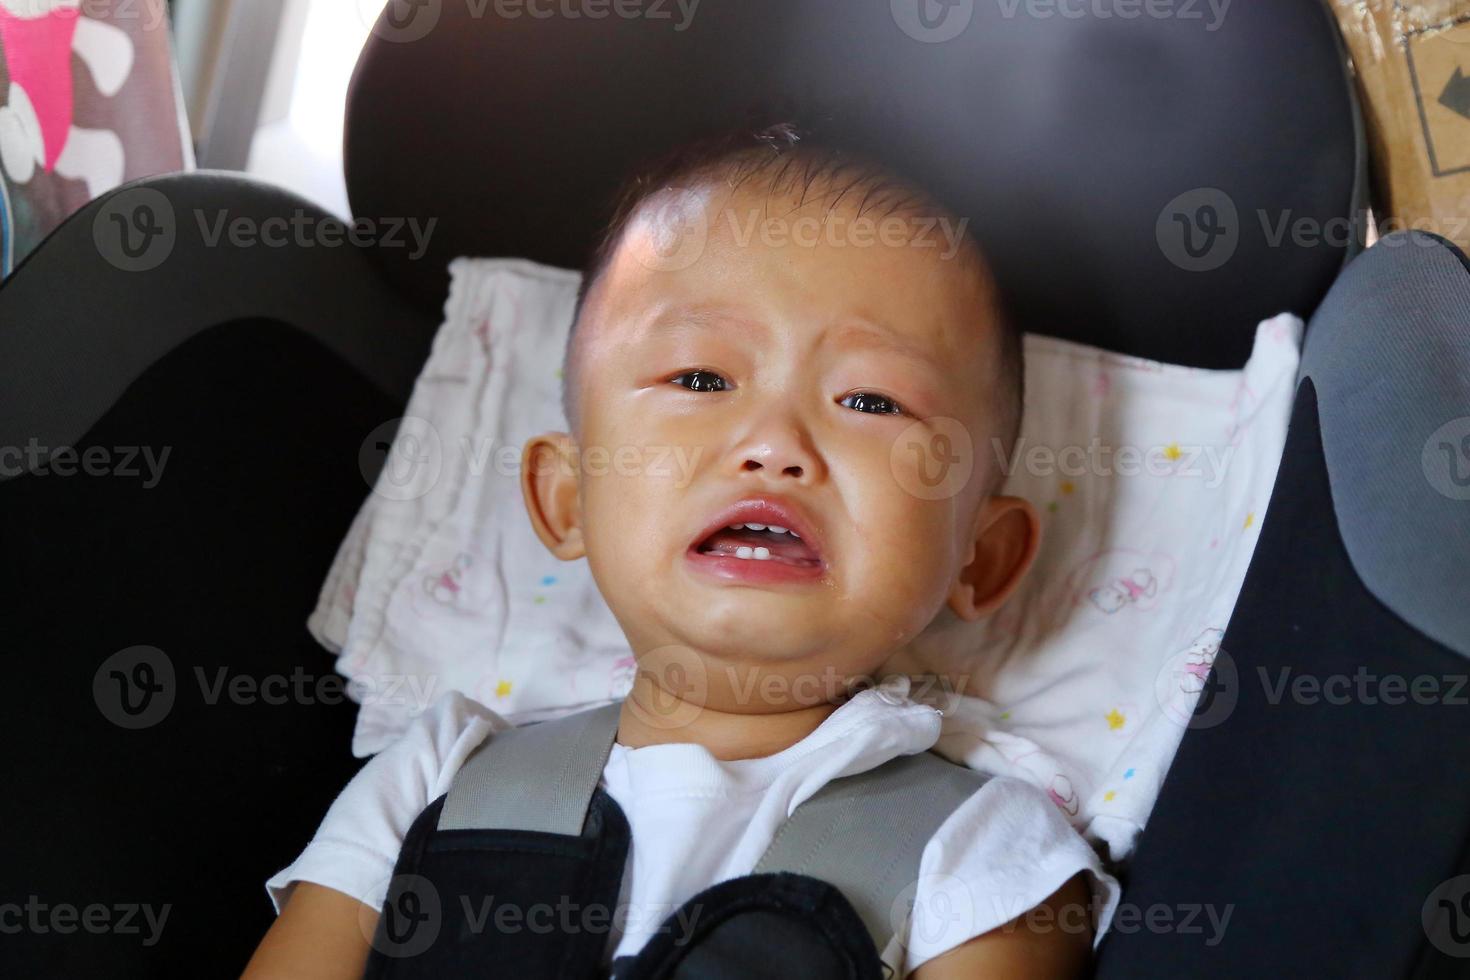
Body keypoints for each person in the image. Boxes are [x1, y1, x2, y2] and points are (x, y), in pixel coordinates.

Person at [243, 122, 1119, 979]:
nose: (774, 443)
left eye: (871, 400)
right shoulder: (438, 780)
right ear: (568, 497)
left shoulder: (984, 858)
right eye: (701, 379)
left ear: (982, 555)